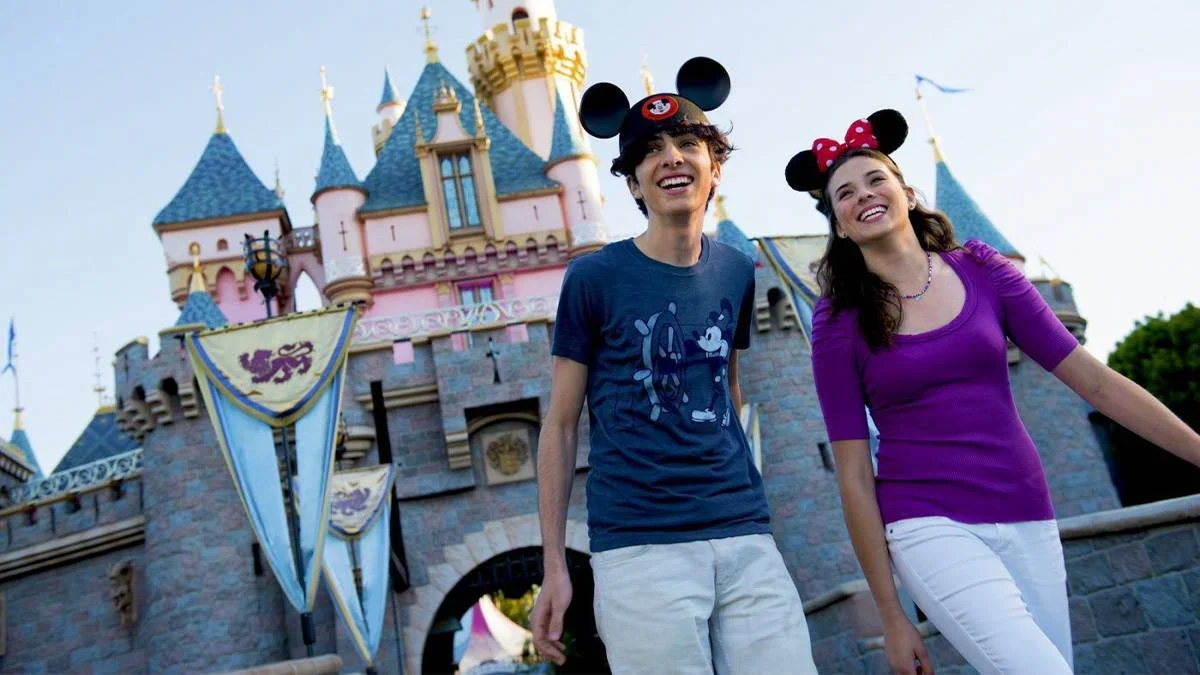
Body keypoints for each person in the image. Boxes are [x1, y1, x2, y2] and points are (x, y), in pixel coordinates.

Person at [785, 110, 1200, 674]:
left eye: (875, 180)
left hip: (1028, 510)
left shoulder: (984, 270)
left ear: (906, 193)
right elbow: (854, 472)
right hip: (927, 521)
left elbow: (1096, 382)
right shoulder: (838, 320)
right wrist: (892, 614)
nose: (864, 196)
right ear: (838, 224)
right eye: (844, 195)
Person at [530, 57, 817, 674]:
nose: (671, 158)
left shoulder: (737, 269)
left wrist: (750, 505)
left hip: (743, 534)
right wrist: (555, 563)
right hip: (640, 547)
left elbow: (726, 391)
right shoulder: (593, 277)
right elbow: (559, 425)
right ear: (633, 184)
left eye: (688, 143)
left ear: (714, 166)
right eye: (651, 151)